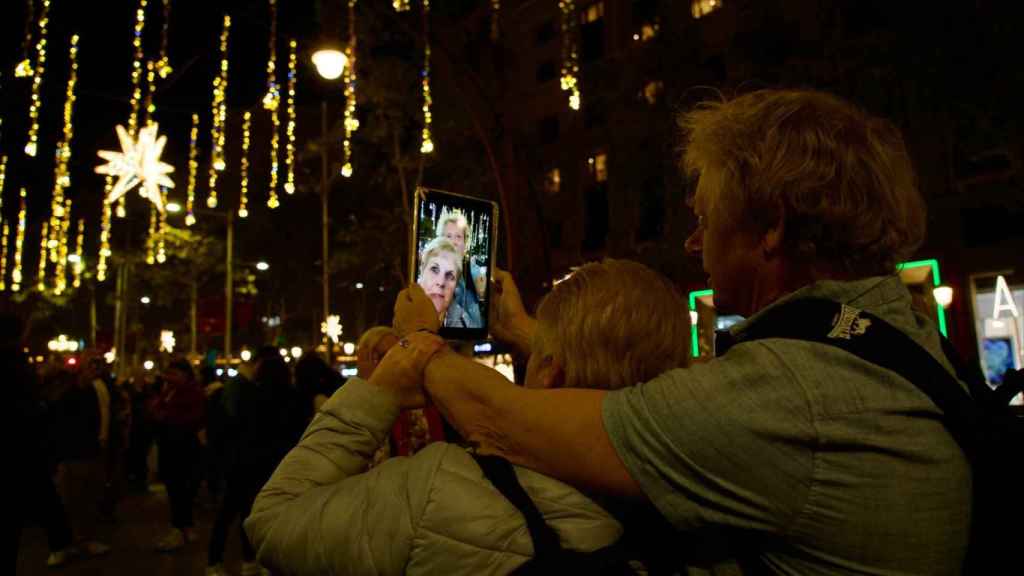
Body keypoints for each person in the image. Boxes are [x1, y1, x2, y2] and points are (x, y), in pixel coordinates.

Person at [381, 89, 972, 574]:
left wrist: (419, 342)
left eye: (705, 220)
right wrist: (528, 333)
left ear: (771, 228)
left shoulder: (789, 391)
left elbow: (510, 422)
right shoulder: (882, 335)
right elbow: (661, 403)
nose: (694, 244)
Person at [244, 260, 691, 575]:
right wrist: (523, 330)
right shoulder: (695, 492)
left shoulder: (440, 487)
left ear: (550, 371)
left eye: (537, 357)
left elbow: (273, 523)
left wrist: (382, 386)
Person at [207, 347, 303, 576]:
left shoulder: (250, 395)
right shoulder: (292, 398)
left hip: (242, 462)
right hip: (273, 465)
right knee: (253, 514)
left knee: (230, 512)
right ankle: (251, 560)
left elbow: (233, 427)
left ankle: (215, 561)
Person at [52, 361, 113, 559]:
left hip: (91, 451)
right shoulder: (67, 394)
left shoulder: (95, 392)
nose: (94, 373)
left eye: (96, 369)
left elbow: (100, 418)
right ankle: (69, 541)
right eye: (90, 369)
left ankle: (85, 538)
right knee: (71, 499)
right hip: (72, 453)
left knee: (89, 497)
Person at [148, 359, 206, 552]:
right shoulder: (169, 390)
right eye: (168, 373)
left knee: (180, 488)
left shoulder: (192, 392)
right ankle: (185, 526)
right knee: (176, 488)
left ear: (185, 375)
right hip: (170, 444)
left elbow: (195, 417)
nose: (169, 377)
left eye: (174, 373)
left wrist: (166, 416)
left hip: (183, 446)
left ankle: (179, 527)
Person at [437, 211, 485, 327]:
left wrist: (482, 293)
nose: (453, 242)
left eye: (458, 237)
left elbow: (483, 291)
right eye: (448, 236)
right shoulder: (433, 274)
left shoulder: (473, 270)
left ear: (465, 244)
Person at [416, 237, 471, 327]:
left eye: (450, 276)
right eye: (434, 269)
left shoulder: (464, 324)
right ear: (422, 270)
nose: (441, 282)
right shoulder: (402, 312)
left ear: (456, 285)